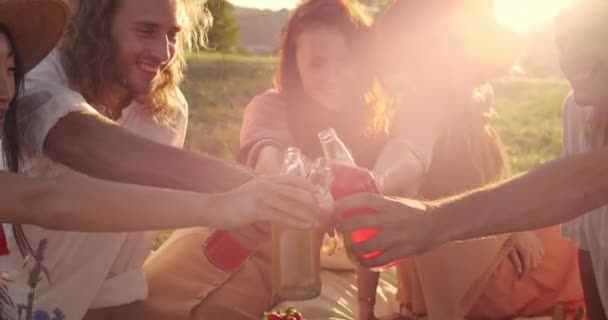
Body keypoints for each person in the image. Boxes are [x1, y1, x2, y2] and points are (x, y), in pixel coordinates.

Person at [4, 0, 319, 319]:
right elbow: (80, 144)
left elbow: (120, 265)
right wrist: (241, 189)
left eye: (172, 34)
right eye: (146, 31)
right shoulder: (33, 74)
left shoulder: (166, 114)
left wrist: (261, 202)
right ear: (96, 26)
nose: (163, 51)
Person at [108, 1, 401, 319]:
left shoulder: (382, 121)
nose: (333, 76)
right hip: (254, 245)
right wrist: (290, 188)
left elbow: (388, 205)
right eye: (317, 63)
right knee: (155, 302)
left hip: (337, 267)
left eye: (345, 61)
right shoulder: (272, 106)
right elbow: (268, 156)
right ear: (295, 65)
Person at [335, 0, 608, 317]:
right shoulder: (424, 107)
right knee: (570, 240)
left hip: (477, 252)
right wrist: (379, 179)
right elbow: (410, 150)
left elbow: (492, 180)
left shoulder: (473, 99)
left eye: (459, 43)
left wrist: (514, 229)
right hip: (470, 281)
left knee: (570, 227)